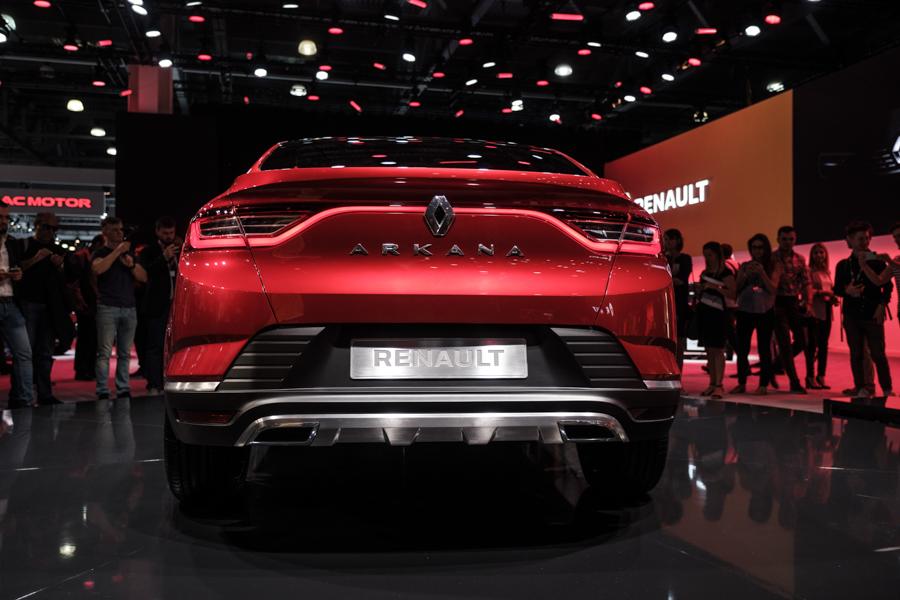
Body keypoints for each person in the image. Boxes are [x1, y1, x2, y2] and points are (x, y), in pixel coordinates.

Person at [833, 220, 893, 398]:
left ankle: (887, 389)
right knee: (856, 353)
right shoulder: (843, 265)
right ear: (850, 240)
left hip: (872, 313)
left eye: (867, 238)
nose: (865, 242)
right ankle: (861, 388)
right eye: (860, 239)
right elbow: (837, 289)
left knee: (878, 354)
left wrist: (882, 305)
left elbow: (887, 286)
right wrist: (847, 290)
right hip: (851, 315)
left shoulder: (878, 261)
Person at [17, 212, 72, 405]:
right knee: (25, 353)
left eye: (54, 228)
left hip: (50, 307)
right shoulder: (23, 245)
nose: (50, 232)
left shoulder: (58, 250)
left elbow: (69, 278)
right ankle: (21, 395)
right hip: (27, 304)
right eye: (47, 227)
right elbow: (14, 270)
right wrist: (36, 259)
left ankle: (45, 394)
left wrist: (60, 266)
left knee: (45, 354)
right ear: (37, 225)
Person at [92, 217, 147, 401]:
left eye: (121, 229)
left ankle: (123, 388)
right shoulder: (100, 252)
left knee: (125, 353)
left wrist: (131, 265)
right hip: (107, 307)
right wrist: (117, 252)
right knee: (104, 352)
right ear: (105, 232)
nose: (119, 233)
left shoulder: (128, 254)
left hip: (129, 308)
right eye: (114, 230)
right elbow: (98, 269)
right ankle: (102, 389)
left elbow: (143, 277)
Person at [138, 217, 181, 396]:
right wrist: (164, 257)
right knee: (155, 346)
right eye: (165, 233)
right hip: (157, 306)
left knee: (174, 348)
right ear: (157, 232)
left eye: (171, 233)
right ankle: (154, 384)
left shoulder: (180, 249)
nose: (169, 236)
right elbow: (146, 274)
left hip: (176, 306)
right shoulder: (149, 251)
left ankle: (170, 383)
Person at [732, 234, 777, 395]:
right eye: (754, 247)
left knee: (764, 348)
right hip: (745, 310)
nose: (757, 251)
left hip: (765, 311)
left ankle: (763, 384)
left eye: (760, 247)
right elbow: (736, 289)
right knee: (742, 348)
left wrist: (762, 272)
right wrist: (744, 275)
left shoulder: (773, 265)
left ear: (766, 249)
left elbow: (773, 289)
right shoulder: (744, 266)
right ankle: (741, 382)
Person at [772, 225, 812, 394]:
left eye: (791, 239)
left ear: (795, 240)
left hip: (794, 302)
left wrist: (808, 302)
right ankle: (794, 382)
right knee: (784, 342)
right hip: (776, 302)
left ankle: (775, 364)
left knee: (802, 341)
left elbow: (806, 282)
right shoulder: (772, 258)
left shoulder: (800, 259)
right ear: (778, 239)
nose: (788, 242)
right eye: (784, 239)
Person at [0, 207, 34, 409]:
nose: (4, 221)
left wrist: (17, 274)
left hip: (10, 302)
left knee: (23, 354)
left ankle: (25, 400)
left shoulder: (11, 243)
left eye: (6, 217)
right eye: (0, 217)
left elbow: (17, 268)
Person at [695, 241, 736, 399]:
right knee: (709, 350)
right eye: (705, 255)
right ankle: (712, 383)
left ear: (718, 255)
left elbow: (733, 293)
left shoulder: (725, 273)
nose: (707, 258)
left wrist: (716, 288)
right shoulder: (705, 273)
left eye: (710, 255)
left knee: (718, 350)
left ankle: (719, 385)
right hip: (705, 313)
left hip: (719, 315)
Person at [72, 235, 103, 381]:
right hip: (86, 303)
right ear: (97, 244)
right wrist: (79, 299)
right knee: (86, 337)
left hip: (92, 302)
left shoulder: (86, 256)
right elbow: (75, 281)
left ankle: (88, 369)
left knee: (93, 338)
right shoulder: (82, 257)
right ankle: (83, 369)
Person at [807, 243, 836, 390]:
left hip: (826, 309)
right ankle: (810, 377)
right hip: (814, 311)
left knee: (824, 345)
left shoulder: (827, 272)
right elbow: (807, 290)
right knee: (812, 345)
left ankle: (821, 376)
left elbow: (830, 289)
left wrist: (832, 297)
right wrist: (821, 293)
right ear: (812, 255)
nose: (819, 255)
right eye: (816, 253)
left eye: (821, 252)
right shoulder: (809, 271)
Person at [664, 229, 693, 370]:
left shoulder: (685, 258)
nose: (667, 242)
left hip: (680, 303)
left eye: (670, 239)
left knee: (679, 340)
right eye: (665, 239)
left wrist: (670, 279)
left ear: (678, 240)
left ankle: (678, 371)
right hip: (665, 303)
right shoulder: (663, 258)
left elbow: (681, 279)